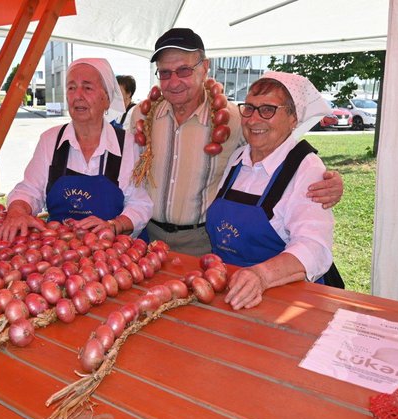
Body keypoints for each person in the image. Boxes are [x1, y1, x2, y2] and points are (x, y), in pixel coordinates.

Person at [133, 28, 343, 256]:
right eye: (165, 73)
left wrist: (329, 181)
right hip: (148, 238)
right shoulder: (142, 117)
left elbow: (281, 151)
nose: (174, 82)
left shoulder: (237, 119)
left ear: (204, 68)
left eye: (184, 70)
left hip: (204, 244)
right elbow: (129, 175)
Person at [206, 72, 336, 310]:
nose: (254, 119)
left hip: (280, 301)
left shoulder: (306, 168)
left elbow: (315, 247)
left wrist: (262, 276)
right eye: (249, 108)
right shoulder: (237, 159)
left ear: (293, 117)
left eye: (267, 109)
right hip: (229, 292)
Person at [0, 58, 153, 242]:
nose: (77, 95)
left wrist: (114, 225)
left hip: (112, 254)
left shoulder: (128, 145)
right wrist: (17, 211)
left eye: (87, 88)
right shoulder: (50, 140)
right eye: (71, 88)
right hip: (60, 252)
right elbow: (30, 190)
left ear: (107, 99)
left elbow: (140, 203)